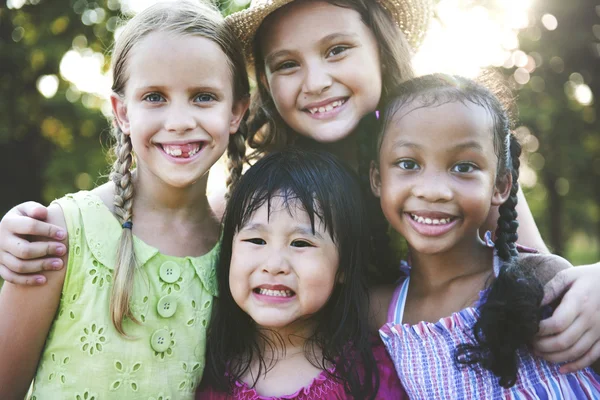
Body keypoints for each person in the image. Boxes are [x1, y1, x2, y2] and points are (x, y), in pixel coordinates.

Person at [2, 0, 600, 372]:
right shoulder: (269, 181)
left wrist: (595, 282)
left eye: (337, 50)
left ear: (380, 49)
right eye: (286, 64)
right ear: (262, 85)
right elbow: (191, 234)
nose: (315, 81)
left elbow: (537, 271)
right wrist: (30, 230)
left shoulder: (448, 153)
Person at [0, 1, 249, 398]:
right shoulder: (61, 234)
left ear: (236, 110)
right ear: (122, 112)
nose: (180, 121)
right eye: (154, 97)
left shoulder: (243, 250)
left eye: (203, 96)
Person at [368, 74, 600, 398]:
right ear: (377, 179)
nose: (433, 191)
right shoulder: (381, 311)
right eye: (408, 163)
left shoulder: (541, 279)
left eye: (463, 167)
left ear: (501, 186)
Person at [197, 148, 404, 399]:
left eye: (300, 243)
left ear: (345, 267)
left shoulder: (373, 373)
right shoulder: (206, 370)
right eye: (256, 240)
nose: (274, 265)